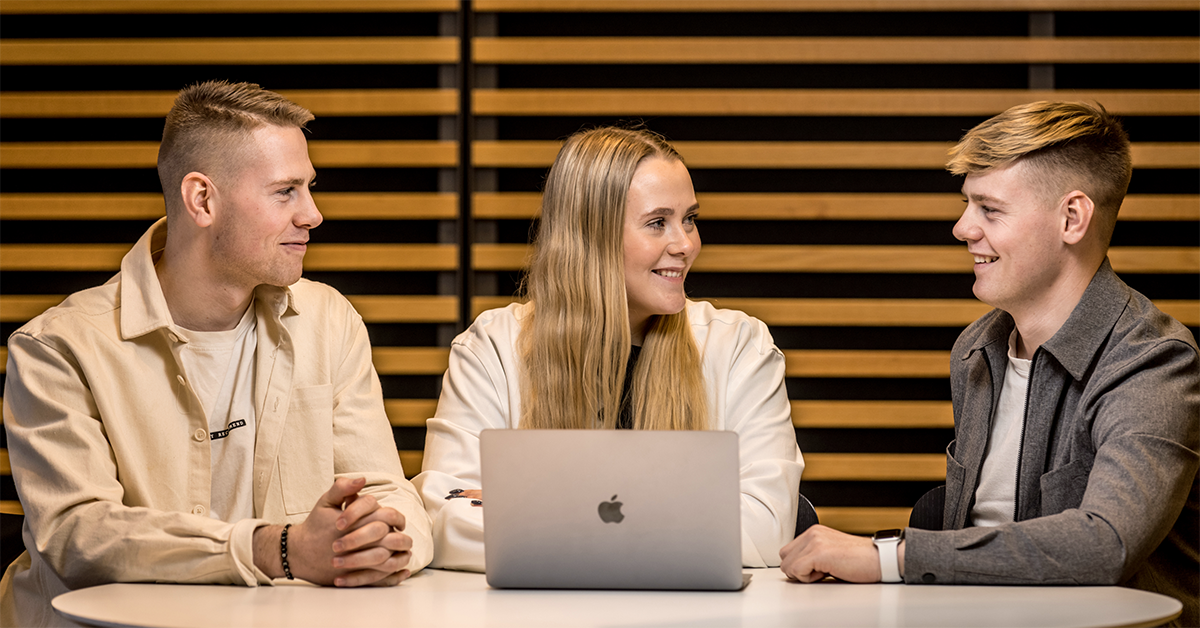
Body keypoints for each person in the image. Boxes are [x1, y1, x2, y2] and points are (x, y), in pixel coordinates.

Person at [0, 80, 432, 627]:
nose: (313, 214)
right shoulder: (57, 348)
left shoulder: (330, 321)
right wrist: (275, 548)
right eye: (286, 191)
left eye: (309, 188)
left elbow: (388, 492)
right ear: (202, 200)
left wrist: (381, 541)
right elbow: (79, 536)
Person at [779, 101, 1199, 625]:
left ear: (1072, 219)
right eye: (966, 204)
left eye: (989, 209)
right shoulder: (976, 350)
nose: (962, 228)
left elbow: (1105, 543)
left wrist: (888, 556)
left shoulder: (1154, 362)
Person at [413, 126, 804, 571]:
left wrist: (535, 515)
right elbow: (444, 515)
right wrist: (682, 518)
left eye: (689, 218)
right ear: (589, 236)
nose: (686, 244)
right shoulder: (491, 348)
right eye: (658, 223)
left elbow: (766, 526)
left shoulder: (740, 347)